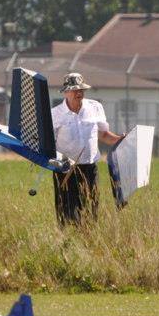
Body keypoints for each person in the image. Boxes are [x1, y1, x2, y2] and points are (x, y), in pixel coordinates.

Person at [50, 73, 124, 225]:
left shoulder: (95, 107)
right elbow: (49, 144)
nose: (79, 93)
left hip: (89, 168)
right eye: (74, 90)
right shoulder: (54, 114)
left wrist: (121, 140)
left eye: (81, 89)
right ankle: (66, 237)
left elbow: (103, 134)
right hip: (65, 170)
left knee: (91, 210)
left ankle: (88, 236)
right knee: (67, 212)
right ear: (66, 92)